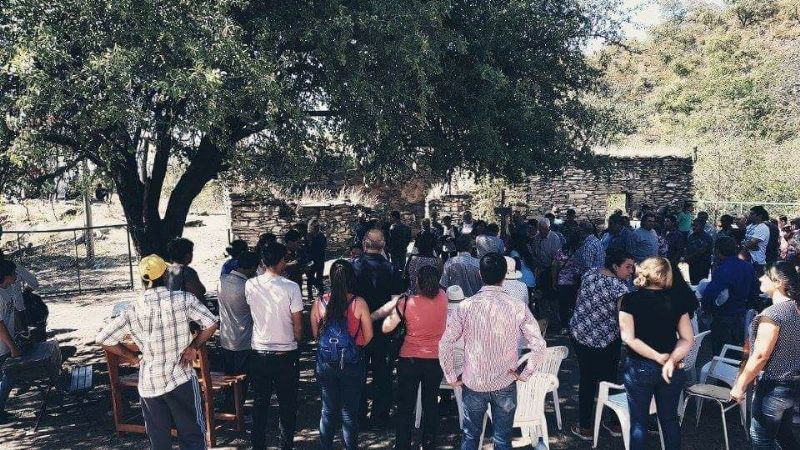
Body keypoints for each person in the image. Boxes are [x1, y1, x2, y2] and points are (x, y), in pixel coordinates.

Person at [96, 255, 219, 449]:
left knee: (159, 442)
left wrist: (133, 357)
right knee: (192, 435)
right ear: (165, 275)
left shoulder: (132, 308)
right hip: (181, 378)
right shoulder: (183, 299)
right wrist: (193, 347)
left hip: (150, 383)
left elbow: (104, 338)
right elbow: (211, 323)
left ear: (144, 279)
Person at [439, 253, 547, 450]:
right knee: (503, 440)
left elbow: (445, 344)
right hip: (505, 382)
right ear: (505, 275)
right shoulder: (517, 306)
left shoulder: (465, 306)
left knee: (470, 437)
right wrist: (525, 374)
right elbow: (539, 345)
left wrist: (451, 376)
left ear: (480, 274)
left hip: (474, 383)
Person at [619, 257, 695, 450]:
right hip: (672, 367)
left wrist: (655, 356)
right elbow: (687, 338)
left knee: (639, 421)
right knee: (669, 419)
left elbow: (628, 338)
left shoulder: (629, 300)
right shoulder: (677, 301)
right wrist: (671, 359)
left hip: (639, 366)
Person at [730, 262, 800, 450]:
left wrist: (740, 384)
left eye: (765, 276)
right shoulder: (795, 308)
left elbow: (761, 355)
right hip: (793, 385)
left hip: (773, 386)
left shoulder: (773, 314)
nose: (760, 278)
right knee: (784, 435)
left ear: (778, 282)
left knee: (761, 440)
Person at [569, 248, 635, 440]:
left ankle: (585, 427)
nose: (631, 271)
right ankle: (614, 423)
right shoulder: (620, 289)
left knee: (587, 380)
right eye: (627, 267)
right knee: (611, 379)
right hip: (607, 339)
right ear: (615, 266)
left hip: (581, 333)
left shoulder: (589, 274)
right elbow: (622, 319)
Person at [381, 265, 447, 450]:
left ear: (417, 281)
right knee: (431, 403)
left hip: (409, 358)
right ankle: (429, 443)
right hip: (435, 359)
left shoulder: (406, 302)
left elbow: (387, 327)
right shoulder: (443, 297)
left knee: (405, 406)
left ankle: (402, 444)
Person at [246, 242, 304, 450]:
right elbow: (297, 323)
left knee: (260, 402)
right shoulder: (291, 287)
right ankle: (285, 444)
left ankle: (257, 444)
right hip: (285, 352)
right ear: (281, 261)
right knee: (287, 403)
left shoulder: (251, 284)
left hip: (259, 350)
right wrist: (297, 340)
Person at [310, 259, 374, 450]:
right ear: (351, 278)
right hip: (352, 364)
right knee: (349, 414)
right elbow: (369, 335)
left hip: (326, 363)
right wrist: (355, 346)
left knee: (327, 411)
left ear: (330, 278)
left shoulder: (319, 302)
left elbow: (315, 335)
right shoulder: (359, 303)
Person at [353, 229, 401, 427]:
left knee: (358, 372)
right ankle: (380, 413)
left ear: (365, 244)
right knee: (383, 372)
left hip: (358, 327)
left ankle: (359, 412)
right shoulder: (390, 268)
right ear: (382, 246)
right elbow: (396, 300)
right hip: (383, 328)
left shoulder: (354, 266)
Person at [701, 237, 756, 355]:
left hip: (723, 316)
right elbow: (754, 291)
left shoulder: (723, 270)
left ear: (718, 251)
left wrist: (706, 309)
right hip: (741, 315)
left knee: (721, 351)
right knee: (736, 349)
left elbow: (710, 294)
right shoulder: (748, 267)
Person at [218, 251, 258, 392]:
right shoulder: (247, 287)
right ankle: (238, 408)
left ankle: (229, 406)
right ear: (252, 268)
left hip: (226, 337)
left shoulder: (222, 281)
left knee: (228, 377)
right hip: (243, 339)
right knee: (241, 379)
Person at [0, 260, 22, 425]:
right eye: (14, 273)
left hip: (6, 343)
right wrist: (12, 347)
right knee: (8, 377)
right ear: (6, 276)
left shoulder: (8, 290)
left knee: (8, 378)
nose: (16, 276)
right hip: (2, 346)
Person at [403, 231, 442, 295]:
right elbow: (440, 281)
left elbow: (406, 276)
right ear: (432, 246)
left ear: (419, 246)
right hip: (431, 296)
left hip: (413, 295)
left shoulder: (413, 259)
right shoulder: (437, 262)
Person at [744, 205, 771, 277]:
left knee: (756, 285)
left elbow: (751, 244)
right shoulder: (749, 226)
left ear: (759, 216)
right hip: (747, 260)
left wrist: (744, 245)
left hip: (757, 262)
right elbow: (745, 241)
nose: (749, 216)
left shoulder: (762, 227)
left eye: (752, 214)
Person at [685, 218, 713, 285]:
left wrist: (689, 257)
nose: (694, 227)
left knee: (701, 284)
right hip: (692, 265)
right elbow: (688, 249)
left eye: (696, 225)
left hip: (702, 266)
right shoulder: (691, 237)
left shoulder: (707, 238)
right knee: (693, 284)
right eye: (693, 225)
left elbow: (703, 251)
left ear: (702, 226)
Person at [306, 219, 328, 298]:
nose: (316, 227)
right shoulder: (308, 236)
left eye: (317, 226)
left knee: (319, 276)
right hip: (311, 259)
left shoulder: (321, 235)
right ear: (311, 226)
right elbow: (307, 248)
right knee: (310, 276)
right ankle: (310, 295)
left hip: (320, 258)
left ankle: (321, 292)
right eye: (315, 226)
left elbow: (324, 246)